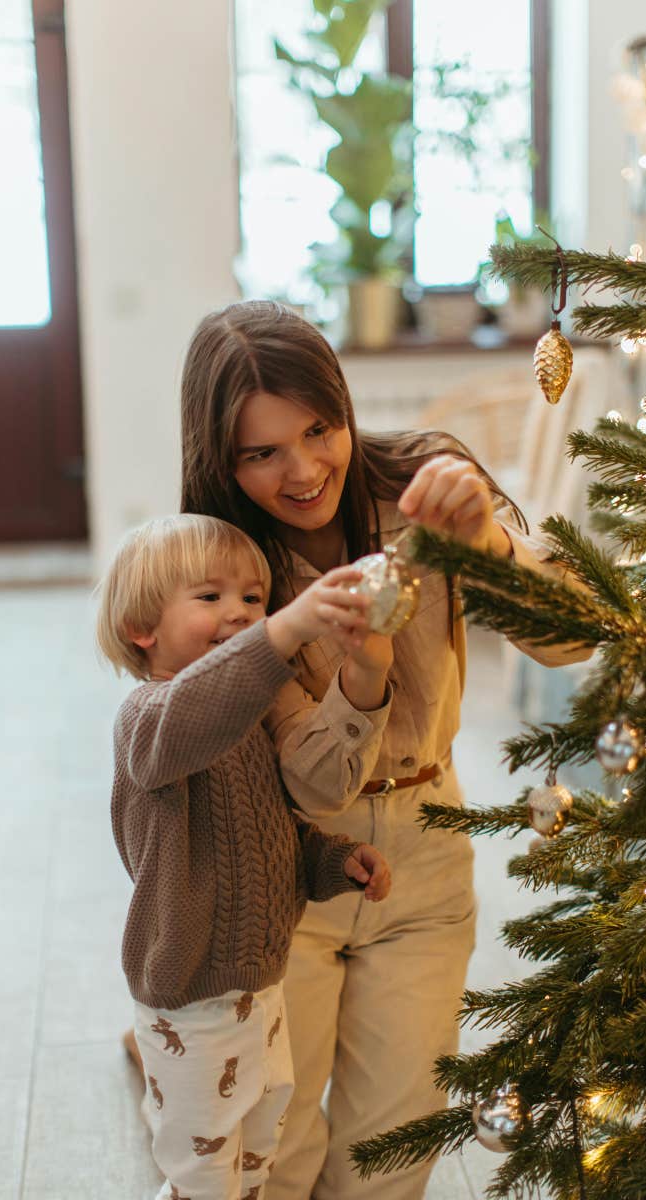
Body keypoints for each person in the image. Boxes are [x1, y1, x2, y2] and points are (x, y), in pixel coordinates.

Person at [170, 299, 591, 1199]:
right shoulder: (226, 573)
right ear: (220, 458)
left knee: (386, 1166)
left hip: (427, 864)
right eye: (262, 452)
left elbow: (574, 637)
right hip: (288, 877)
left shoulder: (427, 491)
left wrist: (484, 544)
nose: (305, 468)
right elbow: (313, 786)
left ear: (345, 404)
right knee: (275, 1160)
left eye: (320, 428)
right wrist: (359, 664)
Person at [97, 513, 392, 1200]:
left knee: (259, 1153)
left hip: (260, 987)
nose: (239, 614)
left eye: (254, 600)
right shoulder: (149, 718)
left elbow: (265, 835)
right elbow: (189, 720)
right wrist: (281, 631)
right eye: (211, 598)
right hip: (192, 997)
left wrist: (331, 861)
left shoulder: (247, 723)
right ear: (143, 626)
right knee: (201, 1174)